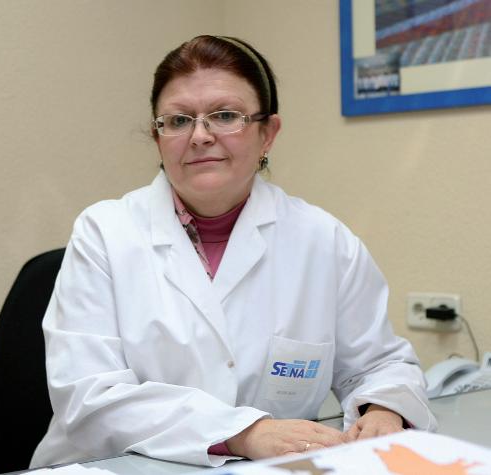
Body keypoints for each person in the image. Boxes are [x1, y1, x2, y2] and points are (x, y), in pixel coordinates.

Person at [30, 35, 436, 469]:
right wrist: (243, 433)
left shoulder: (324, 240)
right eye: (178, 120)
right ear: (158, 137)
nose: (200, 136)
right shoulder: (104, 234)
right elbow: (89, 396)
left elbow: (377, 363)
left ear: (268, 134)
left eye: (225, 116)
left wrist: (384, 409)